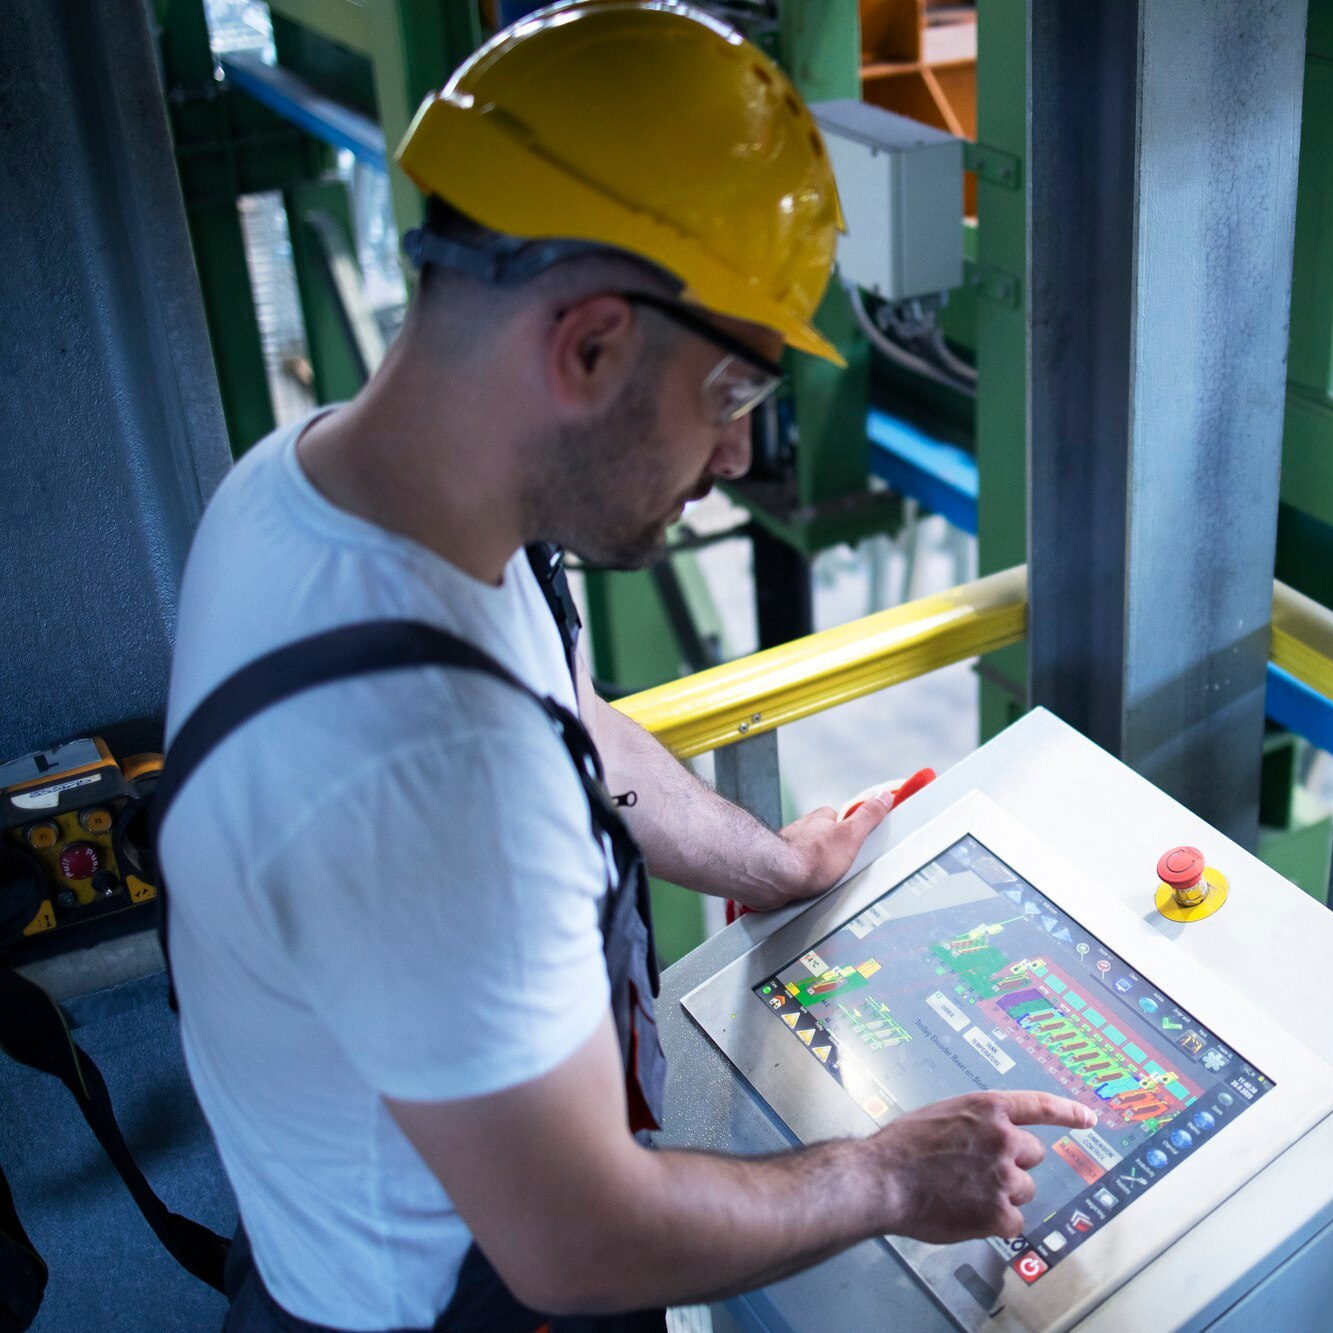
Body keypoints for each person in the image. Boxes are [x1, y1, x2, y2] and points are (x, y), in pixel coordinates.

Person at [157, 3, 1093, 1329]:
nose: (730, 460)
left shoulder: (317, 494)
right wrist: (892, 1174)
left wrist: (771, 865)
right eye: (730, 397)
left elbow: (566, 719)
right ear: (591, 344)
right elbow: (582, 1245)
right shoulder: (423, 771)